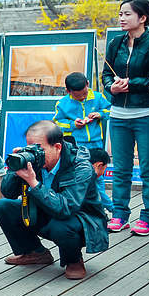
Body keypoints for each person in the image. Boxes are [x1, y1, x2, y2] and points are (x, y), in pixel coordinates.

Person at [0, 120, 110, 280]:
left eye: (38, 148)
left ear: (57, 147)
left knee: (60, 224)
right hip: (47, 210)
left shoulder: (81, 166)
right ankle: (35, 252)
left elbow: (65, 208)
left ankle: (74, 260)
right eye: (30, 147)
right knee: (4, 207)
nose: (34, 152)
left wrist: (33, 183)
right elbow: (8, 193)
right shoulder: (35, 162)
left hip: (82, 222)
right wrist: (15, 170)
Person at [103, 0, 149, 237]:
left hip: (148, 113)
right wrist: (112, 87)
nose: (121, 18)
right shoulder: (115, 43)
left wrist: (133, 84)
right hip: (118, 114)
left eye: (127, 14)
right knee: (121, 168)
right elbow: (105, 77)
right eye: (120, 14)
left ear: (143, 18)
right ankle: (119, 214)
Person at [54, 71, 112, 216]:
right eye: (78, 96)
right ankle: (96, 209)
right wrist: (73, 124)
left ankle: (109, 209)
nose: (83, 97)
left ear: (88, 84)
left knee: (97, 178)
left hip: (96, 144)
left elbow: (110, 110)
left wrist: (100, 114)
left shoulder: (98, 97)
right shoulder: (62, 103)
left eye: (84, 94)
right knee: (79, 179)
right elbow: (57, 123)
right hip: (76, 146)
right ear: (68, 91)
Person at [89, 148, 115, 215]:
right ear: (99, 165)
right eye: (105, 168)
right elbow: (100, 194)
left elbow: (101, 189)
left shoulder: (97, 176)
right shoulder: (87, 175)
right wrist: (114, 209)